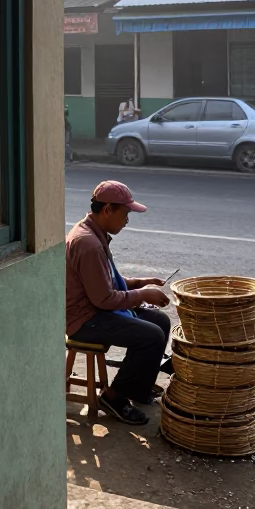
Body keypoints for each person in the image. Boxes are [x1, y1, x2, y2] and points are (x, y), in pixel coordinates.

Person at [66, 179, 171, 426]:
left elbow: (106, 281)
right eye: (125, 213)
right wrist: (144, 294)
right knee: (151, 335)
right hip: (84, 319)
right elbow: (104, 298)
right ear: (107, 210)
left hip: (94, 308)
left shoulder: (93, 232)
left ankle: (137, 388)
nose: (127, 220)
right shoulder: (88, 243)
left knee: (160, 320)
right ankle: (113, 397)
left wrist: (138, 282)